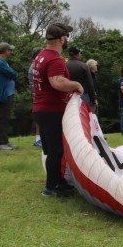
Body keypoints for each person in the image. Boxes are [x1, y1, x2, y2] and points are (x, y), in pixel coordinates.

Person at [33, 23, 83, 196]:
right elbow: (57, 82)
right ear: (62, 39)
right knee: (56, 150)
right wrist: (76, 84)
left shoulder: (41, 55)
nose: (67, 39)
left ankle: (59, 182)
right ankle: (50, 187)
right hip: (52, 110)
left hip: (41, 109)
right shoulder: (54, 59)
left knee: (51, 149)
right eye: (66, 36)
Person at [0, 42, 18, 150]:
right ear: (5, 51)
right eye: (9, 50)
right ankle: (0, 144)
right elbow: (13, 74)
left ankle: (5, 142)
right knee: (3, 118)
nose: (11, 52)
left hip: (6, 93)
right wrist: (13, 74)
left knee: (5, 118)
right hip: (4, 93)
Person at [28, 48, 43, 147]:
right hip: (38, 95)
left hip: (37, 94)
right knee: (40, 117)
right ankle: (38, 140)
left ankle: (39, 139)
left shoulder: (34, 65)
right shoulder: (35, 66)